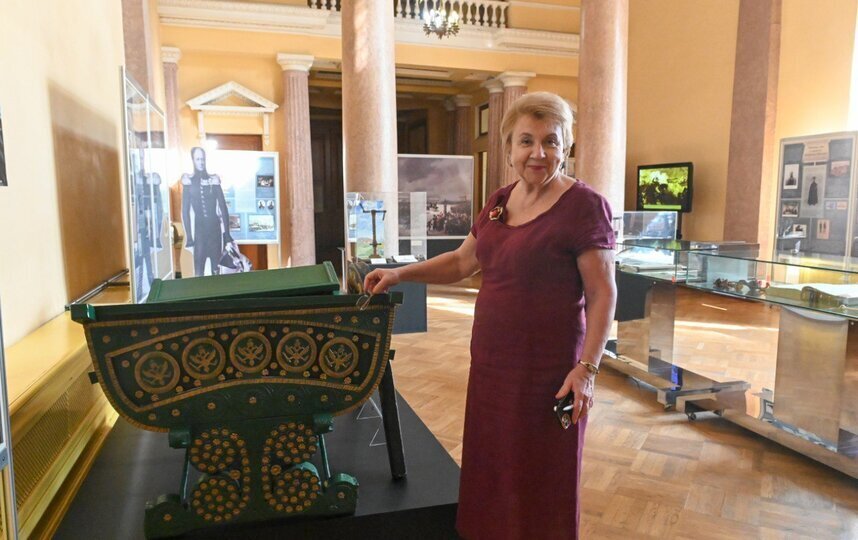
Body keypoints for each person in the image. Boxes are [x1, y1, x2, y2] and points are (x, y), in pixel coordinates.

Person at [364, 92, 616, 539]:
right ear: (508, 148)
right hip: (492, 365)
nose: (538, 153)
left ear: (566, 147)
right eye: (526, 141)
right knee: (492, 467)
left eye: (551, 141)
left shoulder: (584, 205)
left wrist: (587, 370)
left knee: (543, 475)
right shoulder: (500, 200)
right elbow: (463, 261)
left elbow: (602, 293)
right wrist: (400, 273)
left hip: (549, 372)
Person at [181, 147, 233, 276]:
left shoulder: (213, 180)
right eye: (198, 159)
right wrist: (189, 236)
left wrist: (227, 235)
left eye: (202, 159)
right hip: (199, 233)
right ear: (193, 160)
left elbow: (223, 207)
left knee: (216, 271)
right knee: (199, 271)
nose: (201, 162)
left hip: (215, 231)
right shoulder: (189, 182)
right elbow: (185, 211)